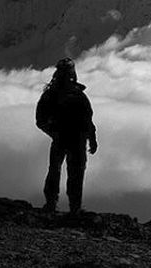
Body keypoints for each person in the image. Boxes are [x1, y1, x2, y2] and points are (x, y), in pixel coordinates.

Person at [36, 57, 98, 214]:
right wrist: (92, 139)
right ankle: (73, 207)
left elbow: (40, 119)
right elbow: (88, 119)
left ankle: (54, 204)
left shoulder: (52, 95)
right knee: (74, 172)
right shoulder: (77, 95)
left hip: (65, 139)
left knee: (58, 170)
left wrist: (53, 133)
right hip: (74, 139)